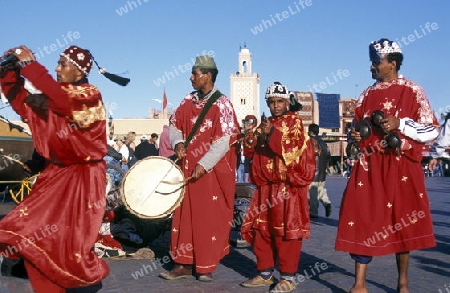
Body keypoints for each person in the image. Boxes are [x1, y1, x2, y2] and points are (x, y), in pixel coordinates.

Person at [0, 45, 116, 292]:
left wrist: (30, 65)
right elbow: (22, 102)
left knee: (68, 241)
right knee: (28, 228)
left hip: (84, 177)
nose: (56, 69)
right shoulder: (54, 97)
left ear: (78, 71)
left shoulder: (88, 95)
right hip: (56, 175)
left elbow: (63, 101)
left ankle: (72, 283)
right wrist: (9, 74)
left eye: (62, 65)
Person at [335, 38, 440, 293]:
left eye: (375, 63)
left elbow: (431, 130)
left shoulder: (413, 90)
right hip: (368, 167)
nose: (371, 68)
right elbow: (356, 128)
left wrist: (401, 124)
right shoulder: (366, 95)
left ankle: (402, 282)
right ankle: (359, 283)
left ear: (391, 64)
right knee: (361, 218)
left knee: (402, 221)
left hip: (400, 166)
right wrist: (356, 136)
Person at [159, 55, 240, 282]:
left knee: (206, 217)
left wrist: (204, 164)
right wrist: (178, 143)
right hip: (186, 170)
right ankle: (183, 264)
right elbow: (174, 125)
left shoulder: (222, 104)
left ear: (208, 75)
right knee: (183, 215)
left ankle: (205, 265)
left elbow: (224, 140)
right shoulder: (187, 101)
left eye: (195, 73)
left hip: (209, 174)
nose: (191, 77)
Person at [240, 82, 316, 293]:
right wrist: (252, 136)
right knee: (261, 229)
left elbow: (291, 152)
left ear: (287, 101)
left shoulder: (295, 122)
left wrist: (271, 134)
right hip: (265, 187)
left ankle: (287, 278)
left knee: (286, 232)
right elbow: (250, 152)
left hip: (287, 187)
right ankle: (265, 273)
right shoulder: (266, 123)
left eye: (279, 101)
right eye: (271, 102)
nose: (275, 106)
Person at [307, 123, 332, 218]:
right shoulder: (323, 142)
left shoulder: (311, 142)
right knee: (320, 189)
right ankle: (327, 203)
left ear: (310, 131)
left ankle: (313, 212)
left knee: (312, 193)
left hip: (313, 171)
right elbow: (328, 157)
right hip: (322, 172)